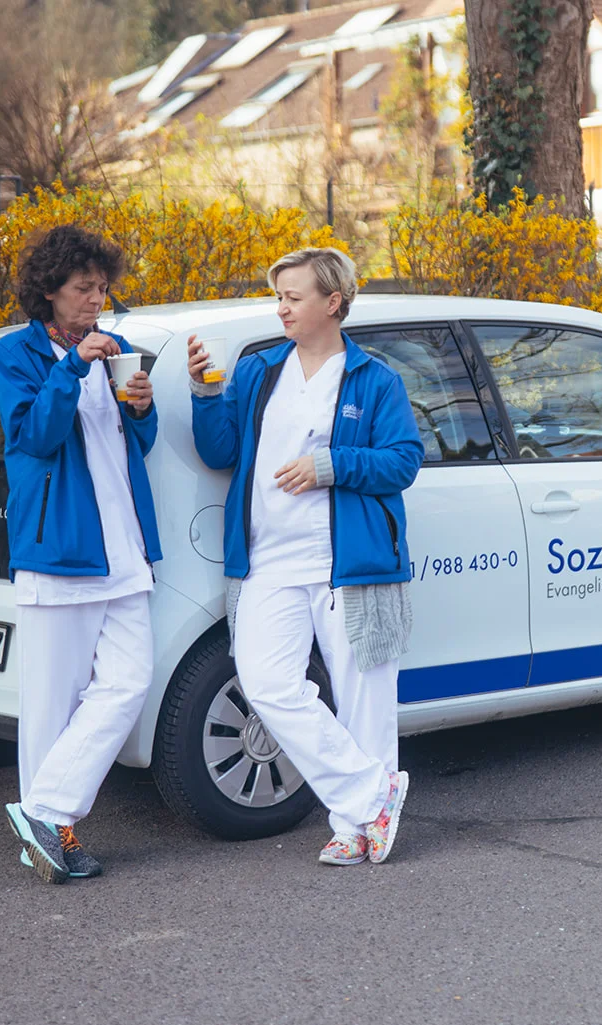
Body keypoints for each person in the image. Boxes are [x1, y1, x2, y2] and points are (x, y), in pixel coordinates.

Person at [188, 247, 421, 866]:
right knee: (266, 684)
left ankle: (352, 827)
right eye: (280, 297)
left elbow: (403, 461)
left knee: (363, 696)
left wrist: (331, 466)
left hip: (349, 563)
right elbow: (218, 452)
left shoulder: (375, 380)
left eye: (293, 297)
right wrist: (204, 391)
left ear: (333, 303)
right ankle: (375, 793)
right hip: (268, 564)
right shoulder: (262, 372)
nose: (282, 308)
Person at [0, 225, 161, 885]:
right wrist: (74, 368)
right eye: (84, 287)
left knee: (130, 681)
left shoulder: (113, 350)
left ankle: (42, 811)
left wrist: (140, 409)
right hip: (58, 550)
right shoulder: (18, 354)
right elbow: (35, 436)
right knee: (50, 705)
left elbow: (127, 449)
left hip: (123, 549)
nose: (98, 297)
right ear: (50, 290)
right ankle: (51, 832)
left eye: (102, 287)